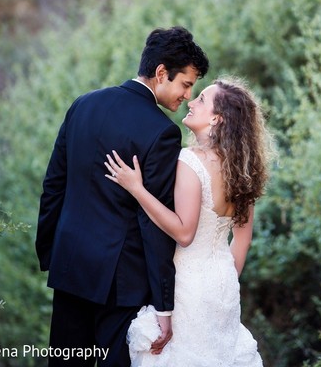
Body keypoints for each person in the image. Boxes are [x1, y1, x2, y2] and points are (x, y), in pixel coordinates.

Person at [36, 26, 209, 366]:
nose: (187, 95)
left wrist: (51, 252)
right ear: (161, 73)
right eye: (186, 84)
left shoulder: (82, 105)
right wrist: (164, 303)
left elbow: (54, 185)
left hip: (70, 265)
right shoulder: (162, 132)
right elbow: (152, 222)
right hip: (121, 284)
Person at [104, 76, 273, 366]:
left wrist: (137, 189)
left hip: (189, 286)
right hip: (224, 286)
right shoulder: (243, 171)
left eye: (202, 100)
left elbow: (184, 233)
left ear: (217, 119)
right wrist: (223, 281)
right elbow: (242, 242)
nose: (191, 101)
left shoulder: (191, 160)